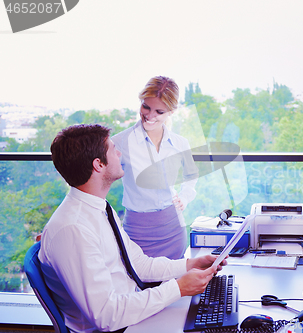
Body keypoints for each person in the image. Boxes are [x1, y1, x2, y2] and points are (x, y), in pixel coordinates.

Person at [39, 124, 224, 333]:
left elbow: (138, 263)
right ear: (98, 164)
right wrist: (178, 288)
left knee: (210, 318)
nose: (119, 152)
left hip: (132, 311)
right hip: (118, 327)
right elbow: (106, 316)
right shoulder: (73, 229)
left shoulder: (99, 208)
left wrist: (189, 265)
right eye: (112, 149)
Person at [112, 76, 198, 260]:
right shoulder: (119, 143)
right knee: (138, 283)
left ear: (171, 112)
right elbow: (99, 181)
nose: (150, 116)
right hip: (137, 232)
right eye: (146, 107)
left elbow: (192, 173)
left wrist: (185, 196)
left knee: (177, 284)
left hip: (173, 228)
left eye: (159, 111)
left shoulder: (180, 143)